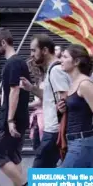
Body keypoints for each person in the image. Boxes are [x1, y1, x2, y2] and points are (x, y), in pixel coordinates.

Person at [56, 44, 93, 167]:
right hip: (75, 141)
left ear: (76, 61)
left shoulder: (85, 84)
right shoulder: (74, 83)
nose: (60, 60)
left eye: (64, 57)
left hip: (82, 142)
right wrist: (62, 109)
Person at [20, 34, 71, 168]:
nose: (31, 55)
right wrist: (31, 88)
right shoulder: (52, 69)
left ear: (45, 50)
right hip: (52, 129)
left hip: (54, 130)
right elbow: (48, 96)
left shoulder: (56, 70)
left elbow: (64, 99)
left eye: (33, 50)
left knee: (39, 170)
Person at [0, 28, 29, 186]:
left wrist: (10, 120)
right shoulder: (18, 62)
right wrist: (1, 97)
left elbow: (15, 91)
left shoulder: (12, 63)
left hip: (11, 119)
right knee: (13, 155)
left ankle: (24, 185)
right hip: (20, 117)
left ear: (3, 42)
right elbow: (12, 92)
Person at [26, 59, 45, 151]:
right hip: (39, 117)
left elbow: (41, 101)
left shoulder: (43, 83)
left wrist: (25, 105)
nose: (31, 72)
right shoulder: (39, 82)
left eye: (32, 69)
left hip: (43, 118)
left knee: (40, 149)